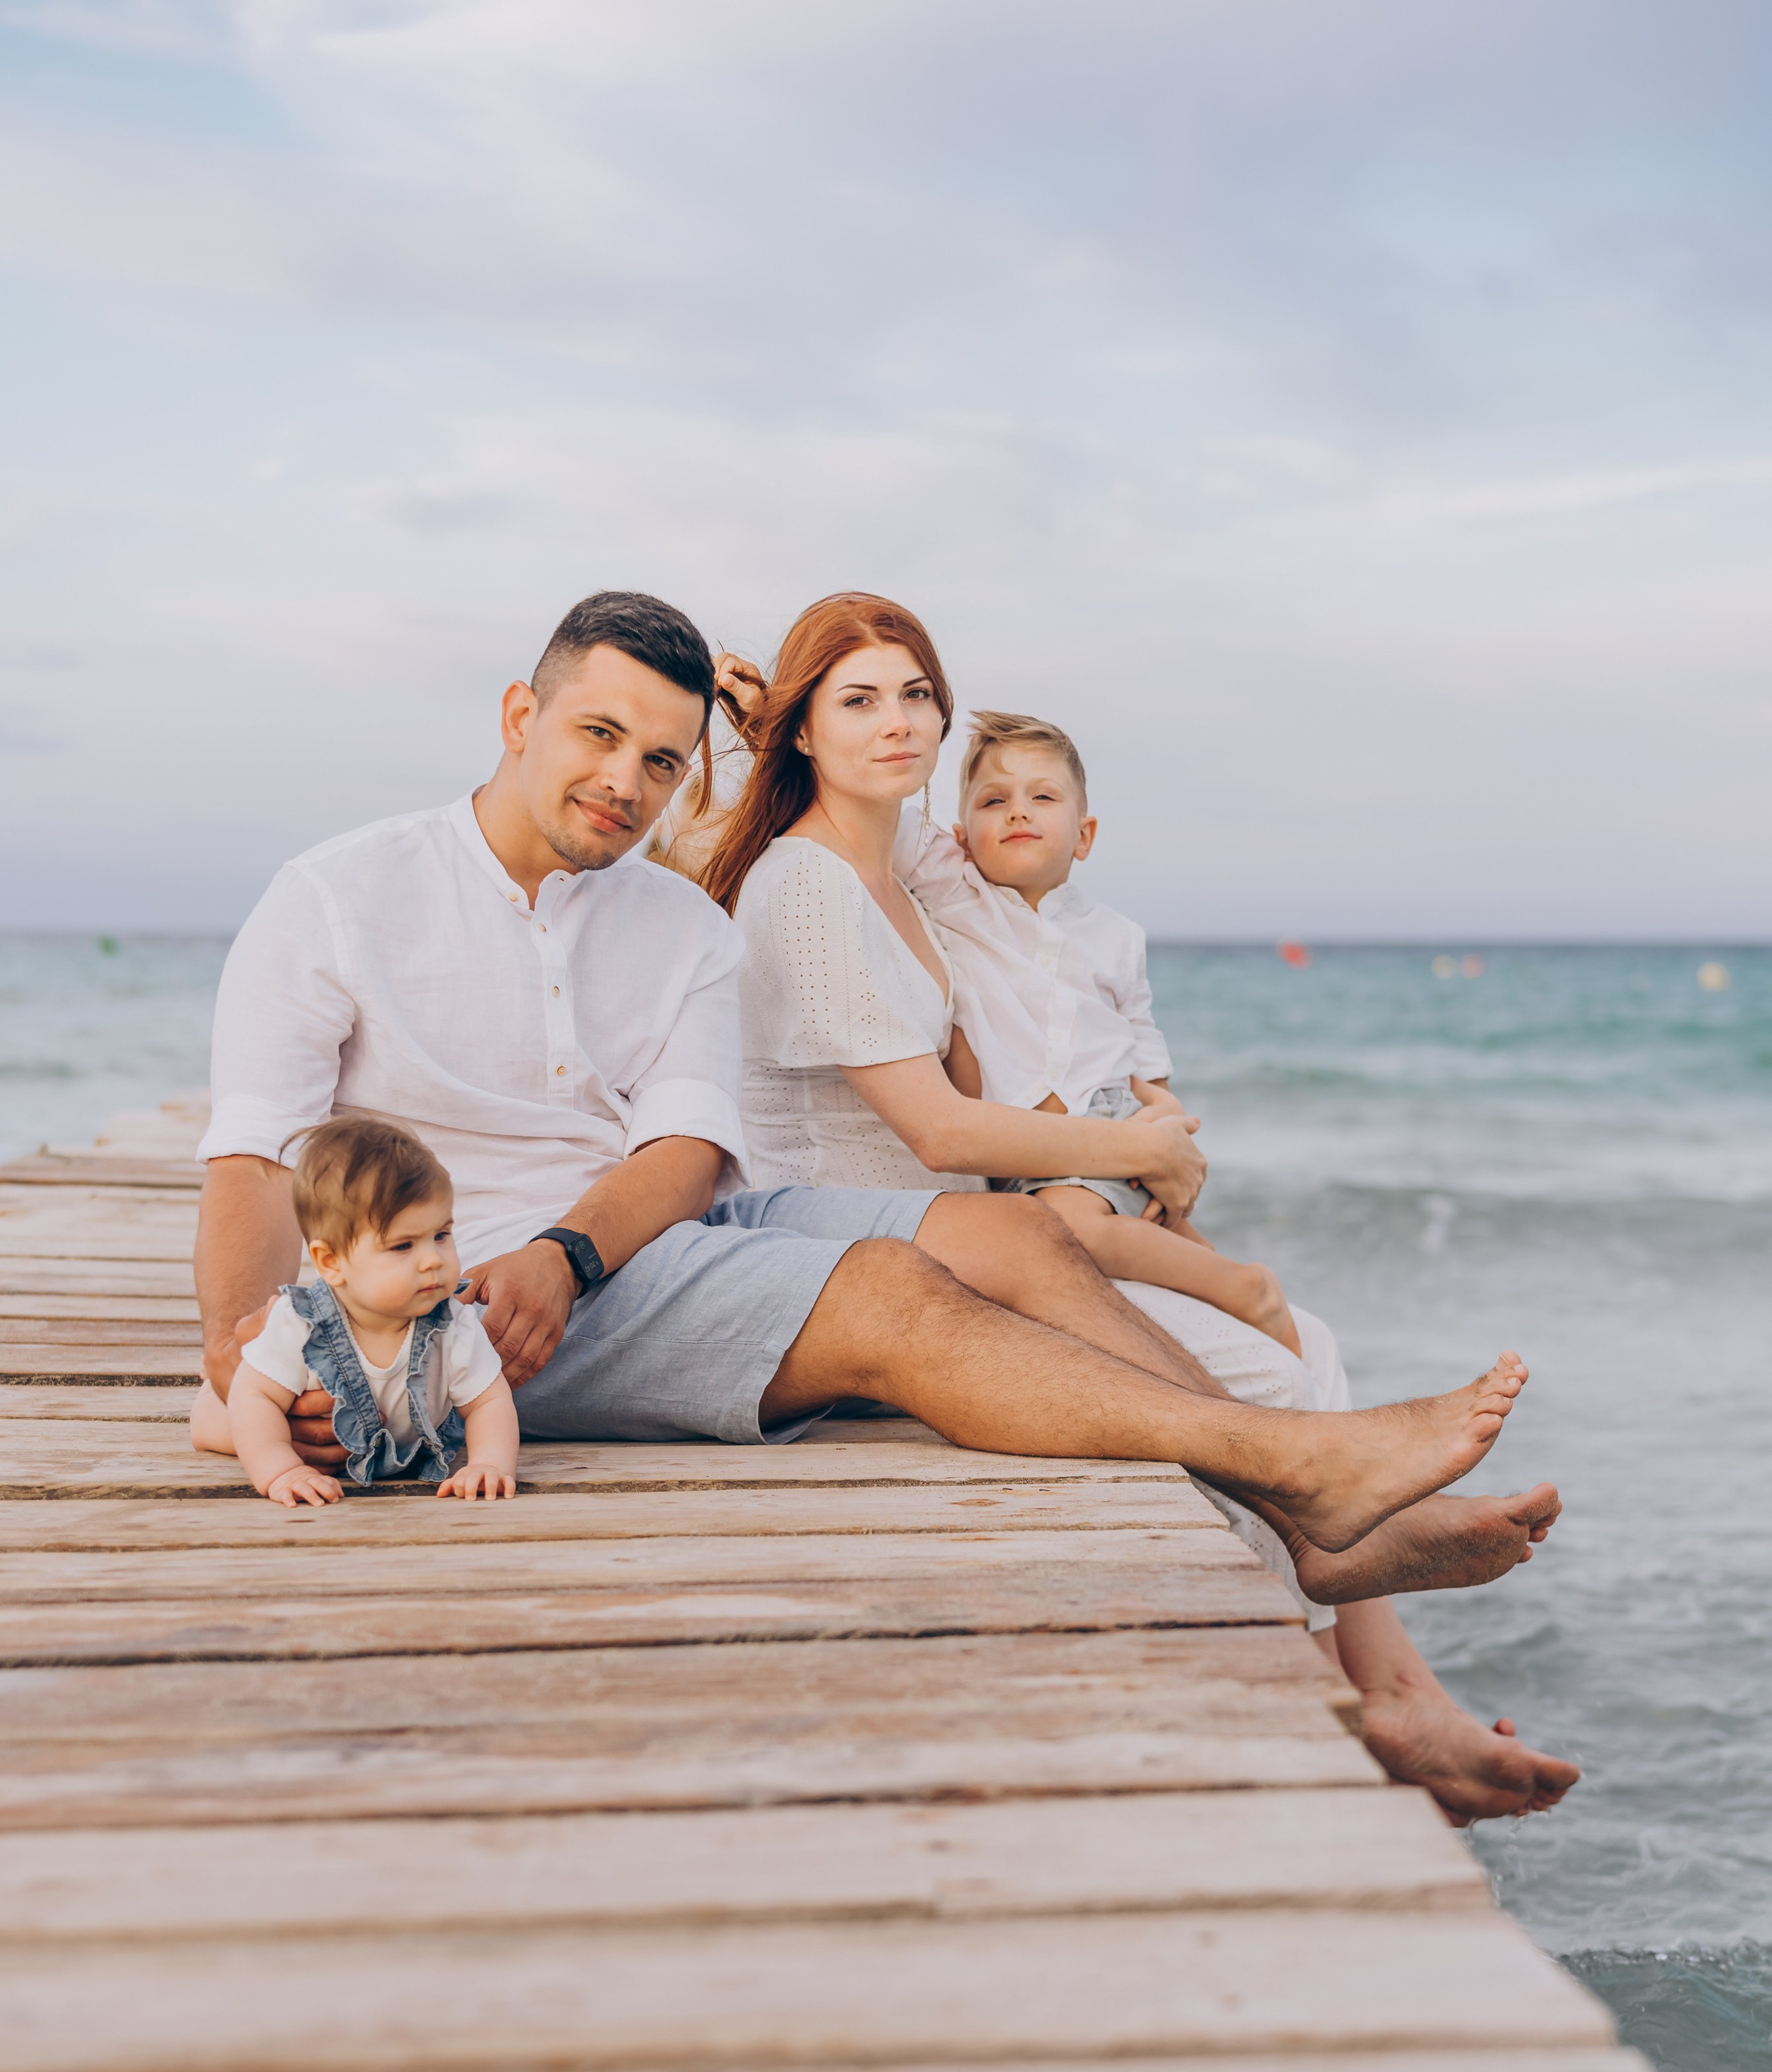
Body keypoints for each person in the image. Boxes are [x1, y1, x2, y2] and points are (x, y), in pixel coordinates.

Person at [193, 586, 1573, 1821]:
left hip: (621, 1245)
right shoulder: (340, 895)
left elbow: (683, 1153)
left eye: (663, 759)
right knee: (892, 1295)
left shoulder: (675, 922)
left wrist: (572, 1248)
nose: (628, 781)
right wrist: (268, 1359)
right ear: (519, 715)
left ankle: (1299, 1500)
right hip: (454, 1303)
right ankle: (1295, 1479)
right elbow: (251, 1160)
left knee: (1010, 1232)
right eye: (597, 737)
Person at [691, 590, 1577, 1819]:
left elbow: (993, 905)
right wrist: (1135, 1145)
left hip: (979, 1239)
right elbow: (937, 1130)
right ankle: (1357, 1691)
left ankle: (1385, 1689)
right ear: (806, 731)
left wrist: (1130, 1141)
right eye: (857, 701)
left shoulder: (895, 861)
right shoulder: (805, 887)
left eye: (914, 694)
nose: (897, 723)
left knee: (1298, 1342)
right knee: (1280, 1368)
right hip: (847, 1256)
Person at [898, 707, 1306, 1360]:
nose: (1018, 812)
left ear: (1084, 836)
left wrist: (1164, 1114)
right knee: (1152, 1240)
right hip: (1027, 1148)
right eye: (994, 800)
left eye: (1043, 797)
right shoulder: (956, 896)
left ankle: (1250, 1292)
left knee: (1073, 1230)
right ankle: (1262, 1322)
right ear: (962, 836)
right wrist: (765, 727)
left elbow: (1140, 1042)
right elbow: (878, 818)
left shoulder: (1117, 936)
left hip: (1108, 1123)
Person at [193, 1112, 518, 1506]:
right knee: (235, 1421)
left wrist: (490, 1463)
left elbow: (489, 1401)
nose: (432, 1260)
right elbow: (255, 1399)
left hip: (399, 1452)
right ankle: (214, 1393)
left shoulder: (454, 1324)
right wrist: (282, 1469)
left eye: (441, 1235)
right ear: (331, 1263)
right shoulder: (301, 1324)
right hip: (297, 1425)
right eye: (403, 1246)